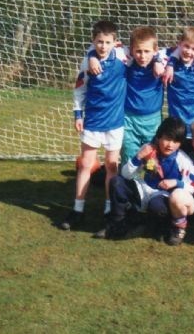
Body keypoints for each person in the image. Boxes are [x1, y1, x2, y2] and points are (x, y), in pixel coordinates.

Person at [61, 20, 128, 231]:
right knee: (85, 165)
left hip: (115, 123)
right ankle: (78, 209)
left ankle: (109, 209)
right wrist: (78, 115)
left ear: (115, 42)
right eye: (99, 42)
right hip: (92, 122)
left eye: (108, 42)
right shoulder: (86, 62)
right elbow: (79, 90)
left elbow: (147, 48)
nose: (103, 46)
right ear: (93, 41)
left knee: (111, 166)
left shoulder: (122, 55)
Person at [104, 117, 194, 245]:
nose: (170, 144)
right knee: (116, 182)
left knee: (156, 208)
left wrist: (176, 183)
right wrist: (138, 158)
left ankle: (160, 226)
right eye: (167, 138)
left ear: (181, 143)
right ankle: (118, 223)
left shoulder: (183, 160)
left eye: (175, 141)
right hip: (142, 190)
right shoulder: (148, 150)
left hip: (161, 197)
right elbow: (125, 175)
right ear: (159, 136)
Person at [88, 26, 166, 167]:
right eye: (138, 51)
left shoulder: (163, 63)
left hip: (153, 120)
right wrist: (92, 57)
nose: (142, 56)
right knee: (129, 159)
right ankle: (127, 186)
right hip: (128, 119)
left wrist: (159, 61)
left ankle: (152, 187)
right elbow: (102, 47)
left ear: (155, 50)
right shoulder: (126, 62)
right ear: (131, 50)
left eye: (147, 51)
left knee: (153, 160)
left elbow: (179, 51)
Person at [163, 27, 194, 148]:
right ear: (179, 44)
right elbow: (156, 54)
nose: (189, 51)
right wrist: (170, 63)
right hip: (178, 120)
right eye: (186, 46)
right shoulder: (168, 58)